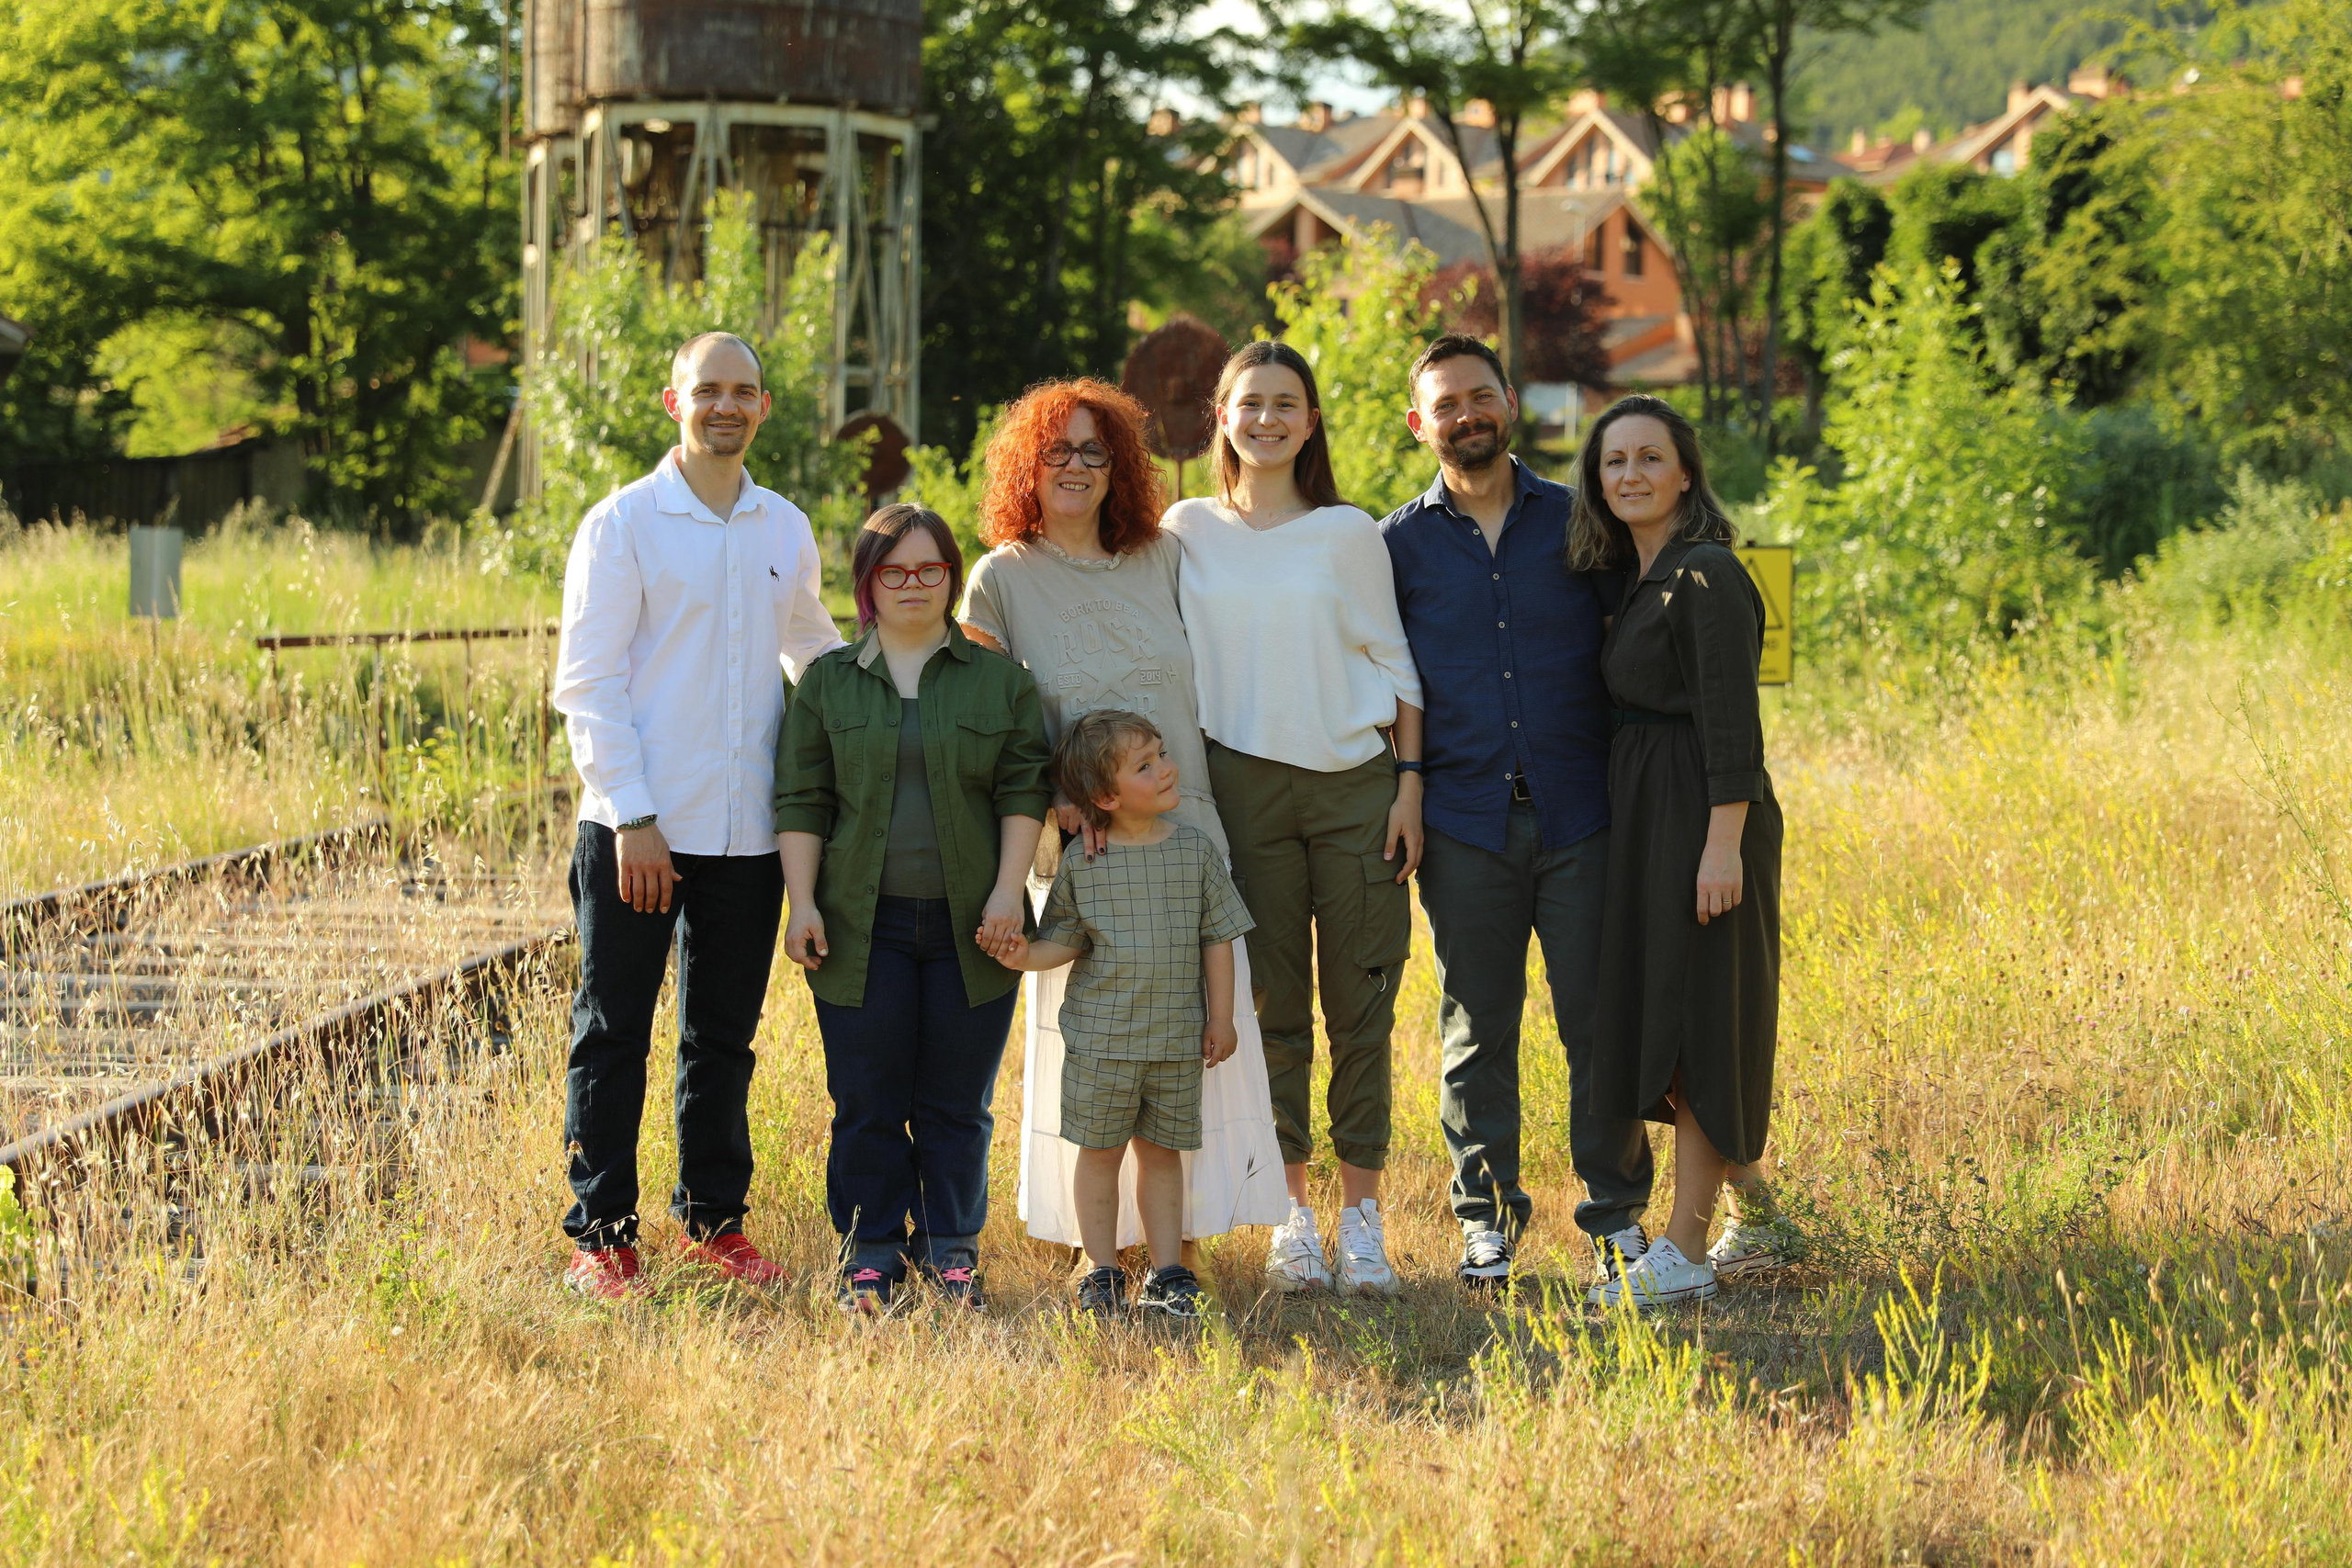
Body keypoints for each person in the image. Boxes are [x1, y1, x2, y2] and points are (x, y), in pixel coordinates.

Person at [958, 378, 1289, 1260]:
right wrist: (1055, 796)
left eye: (1094, 451)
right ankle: (1101, 1246)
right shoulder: (1002, 578)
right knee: (1102, 1050)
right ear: (1030, 462)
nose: (1074, 466)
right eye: (1057, 449)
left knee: (1193, 1041)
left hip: (1189, 835)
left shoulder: (1163, 557)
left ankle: (1181, 1246)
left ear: (1120, 468)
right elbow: (986, 719)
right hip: (1087, 850)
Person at [550, 331, 844, 1300]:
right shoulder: (623, 523)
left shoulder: (782, 528)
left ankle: (714, 1224)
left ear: (763, 408)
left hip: (747, 835)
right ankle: (603, 1236)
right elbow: (586, 684)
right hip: (638, 829)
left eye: (744, 391)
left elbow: (816, 655)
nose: (727, 404)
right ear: (673, 403)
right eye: (707, 389)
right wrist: (633, 816)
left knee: (722, 1037)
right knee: (614, 1033)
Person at [1380, 334, 1654, 1292]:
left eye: (1479, 395)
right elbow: (1387, 679)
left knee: (1597, 1022)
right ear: (1419, 425)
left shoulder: (1580, 519)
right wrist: (1405, 785)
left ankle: (1615, 1221)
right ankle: (1487, 1221)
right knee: (1475, 1028)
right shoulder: (1395, 545)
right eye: (1444, 403)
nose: (1465, 414)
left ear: (1508, 403)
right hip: (1462, 822)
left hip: (1585, 814)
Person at [1162, 341, 1425, 1296]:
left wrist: (1408, 786)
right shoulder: (1184, 528)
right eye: (1249, 403)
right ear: (1221, 418)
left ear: (1310, 421)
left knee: (1361, 1008)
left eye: (1286, 404)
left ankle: (1362, 1221)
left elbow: (1399, 670)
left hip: (1354, 788)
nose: (1266, 419)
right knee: (1270, 1013)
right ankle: (1291, 1219)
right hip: (1240, 792)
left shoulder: (1349, 532)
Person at [773, 504, 1050, 1314]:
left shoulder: (998, 680)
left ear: (952, 578)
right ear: (865, 583)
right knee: (867, 1098)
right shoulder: (828, 682)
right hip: (863, 926)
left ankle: (950, 1249)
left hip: (977, 924)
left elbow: (1022, 786)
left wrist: (1009, 890)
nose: (913, 585)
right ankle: (870, 1250)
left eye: (930, 570)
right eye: (893, 571)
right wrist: (800, 904)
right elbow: (801, 796)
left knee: (957, 1104)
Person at [1572, 395, 1789, 1309]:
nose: (1629, 475)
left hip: (1705, 817)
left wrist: (1722, 845)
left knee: (1700, 1028)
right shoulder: (1634, 575)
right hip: (1651, 818)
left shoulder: (1708, 576)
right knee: (1664, 1021)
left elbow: (1733, 723)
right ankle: (1763, 1216)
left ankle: (1685, 1254)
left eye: (1648, 458)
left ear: (1686, 473)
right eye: (1613, 461)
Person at [994, 710, 1256, 1319]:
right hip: (1102, 1044)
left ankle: (1169, 1272)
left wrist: (1222, 1017)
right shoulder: (1085, 864)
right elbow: (1065, 940)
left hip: (1174, 1041)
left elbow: (1218, 938)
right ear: (1106, 796)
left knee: (1164, 1154)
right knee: (1101, 1153)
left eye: (1162, 753)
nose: (1167, 768)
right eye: (1147, 764)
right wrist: (1023, 954)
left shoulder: (1193, 851)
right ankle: (1103, 1268)